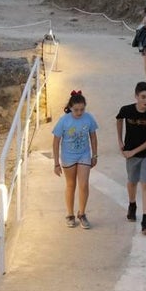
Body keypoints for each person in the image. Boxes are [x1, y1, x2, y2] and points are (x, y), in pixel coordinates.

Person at [116, 81, 146, 235]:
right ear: (136, 96)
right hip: (130, 152)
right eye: (143, 97)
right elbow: (119, 119)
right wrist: (120, 141)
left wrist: (133, 152)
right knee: (132, 181)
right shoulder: (126, 110)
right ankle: (132, 204)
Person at [52, 90, 99, 229]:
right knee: (71, 185)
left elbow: (93, 137)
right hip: (68, 156)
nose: (79, 112)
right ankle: (70, 214)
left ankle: (82, 213)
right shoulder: (64, 121)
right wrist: (56, 163)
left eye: (82, 109)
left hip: (84, 154)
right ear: (70, 108)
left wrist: (94, 155)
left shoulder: (89, 118)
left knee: (84, 184)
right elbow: (56, 142)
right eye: (76, 110)